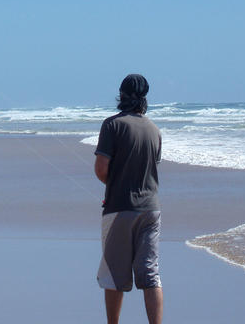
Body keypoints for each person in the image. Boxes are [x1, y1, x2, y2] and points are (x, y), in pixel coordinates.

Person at [94, 73, 163, 324]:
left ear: (120, 95)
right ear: (144, 98)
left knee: (114, 275)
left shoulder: (112, 125)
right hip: (151, 209)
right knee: (150, 275)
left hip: (120, 208)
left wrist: (116, 184)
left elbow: (102, 169)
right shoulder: (154, 130)